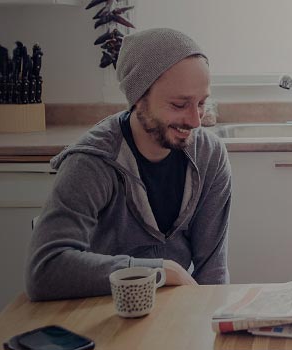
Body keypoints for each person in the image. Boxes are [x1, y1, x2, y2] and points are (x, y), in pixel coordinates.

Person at [25, 28, 231, 301]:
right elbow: (45, 271)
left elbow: (212, 271)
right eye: (179, 104)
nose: (195, 121)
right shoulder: (91, 162)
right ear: (139, 99)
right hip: (103, 309)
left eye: (201, 103)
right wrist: (159, 271)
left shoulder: (209, 155)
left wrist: (210, 320)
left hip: (177, 309)